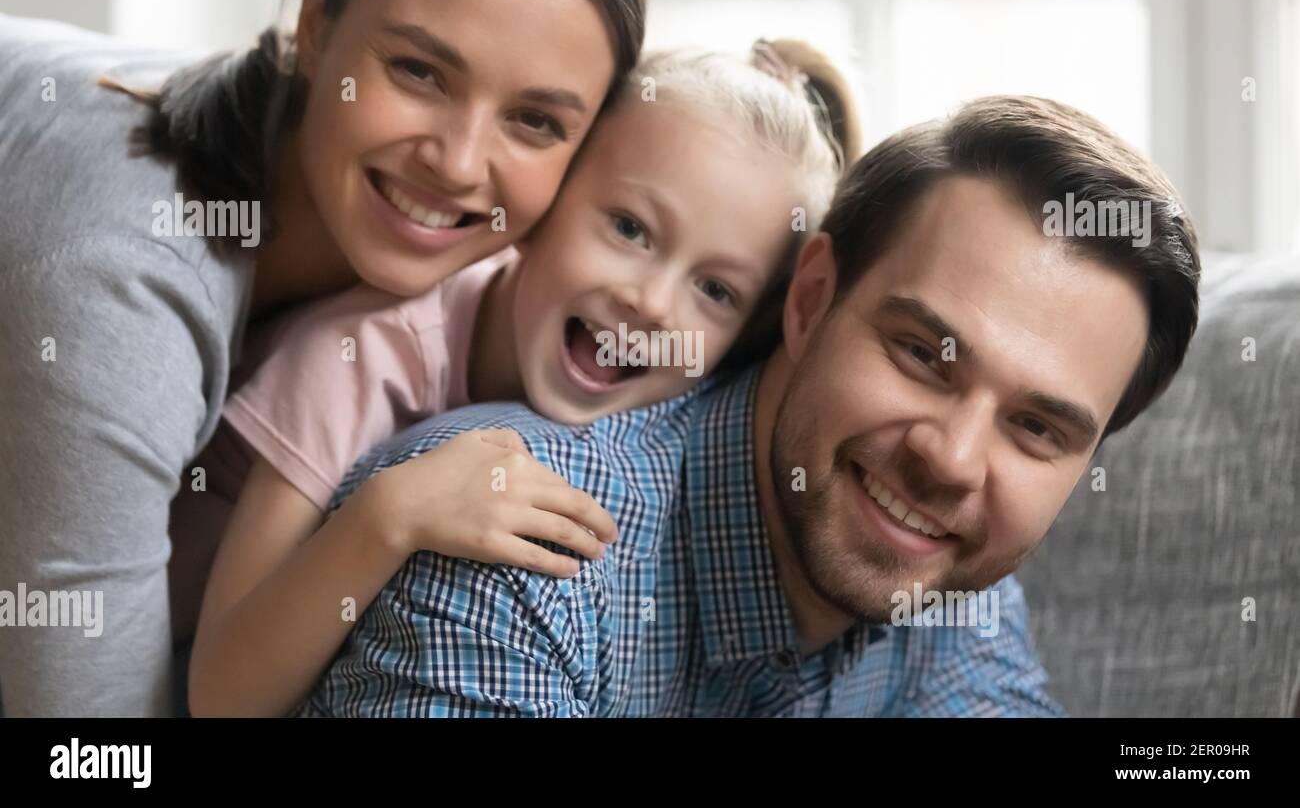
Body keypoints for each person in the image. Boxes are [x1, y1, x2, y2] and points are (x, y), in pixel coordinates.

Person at [299, 95, 1200, 717]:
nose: (954, 459)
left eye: (1035, 428)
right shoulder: (517, 546)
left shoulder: (948, 575)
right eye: (924, 355)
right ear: (810, 300)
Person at [0, 0, 646, 717]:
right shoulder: (119, 289)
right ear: (313, 24)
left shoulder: (485, 272)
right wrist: (386, 518)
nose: (460, 164)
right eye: (419, 71)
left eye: (534, 120)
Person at [187, 42, 863, 717]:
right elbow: (220, 695)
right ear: (543, 204)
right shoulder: (352, 358)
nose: (653, 304)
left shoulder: (669, 420)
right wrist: (390, 515)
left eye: (716, 288)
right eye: (629, 228)